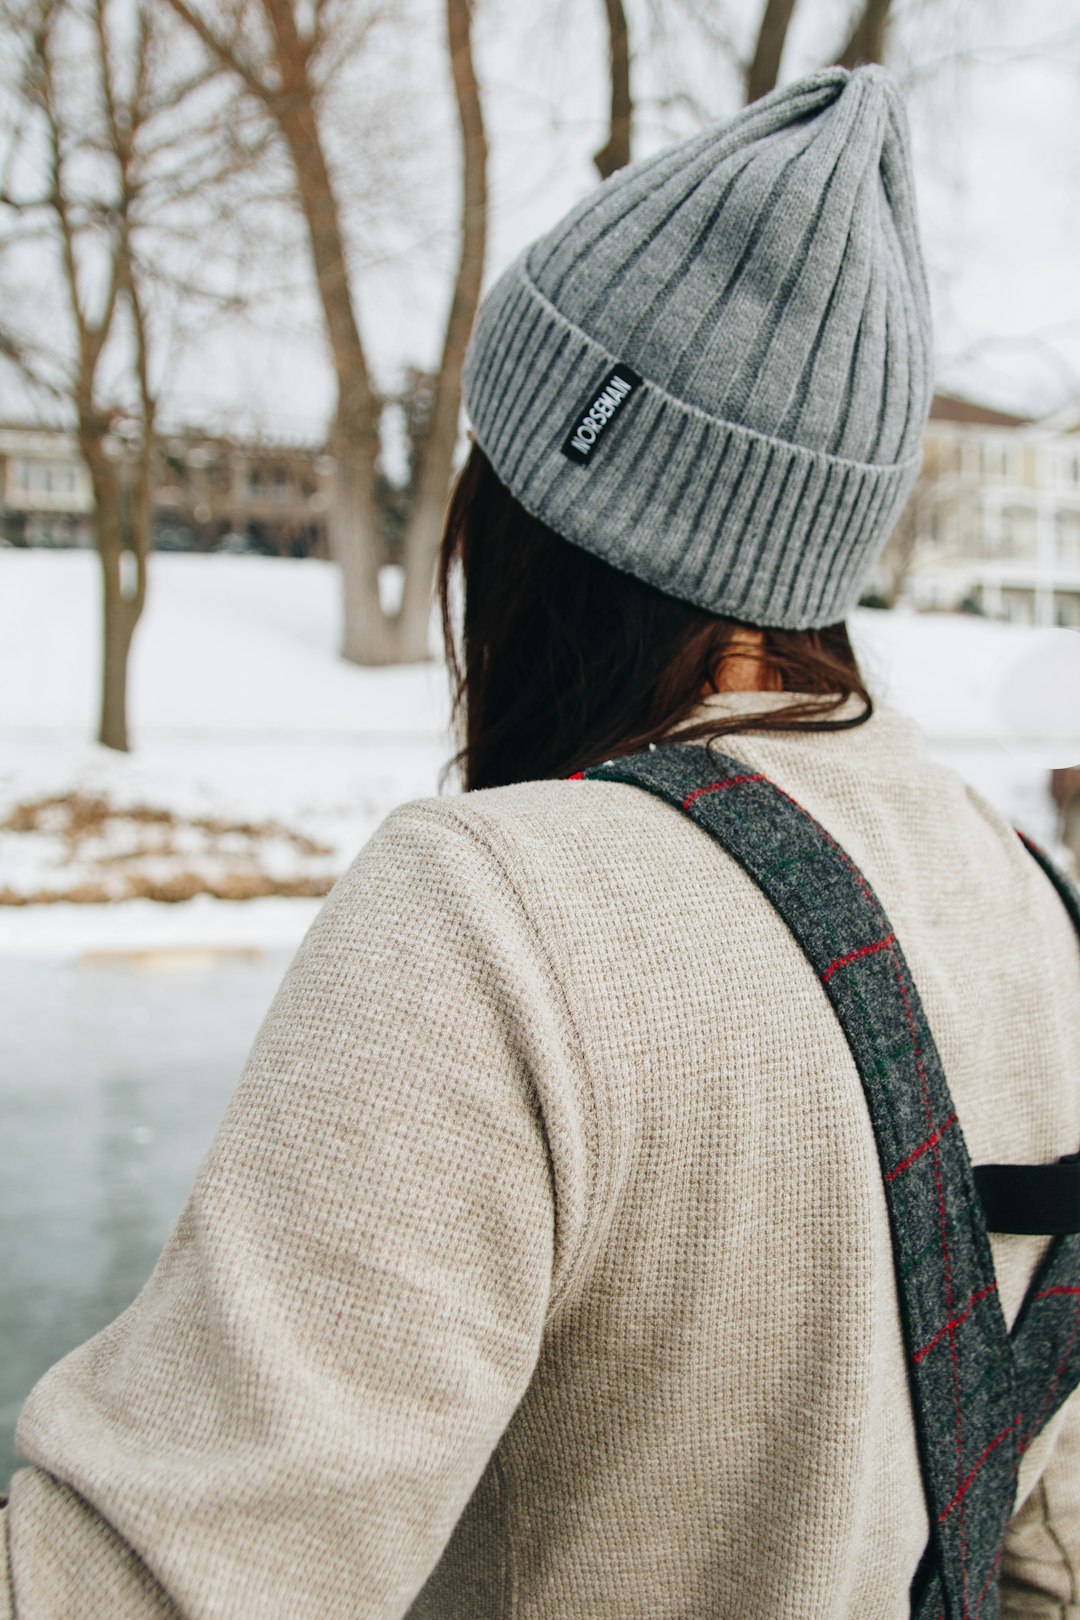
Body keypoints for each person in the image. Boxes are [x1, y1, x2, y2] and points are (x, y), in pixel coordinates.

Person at [3, 64, 1080, 1620]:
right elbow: (1045, 1554)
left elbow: (147, 1590)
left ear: (534, 513)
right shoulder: (1036, 916)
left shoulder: (496, 913)